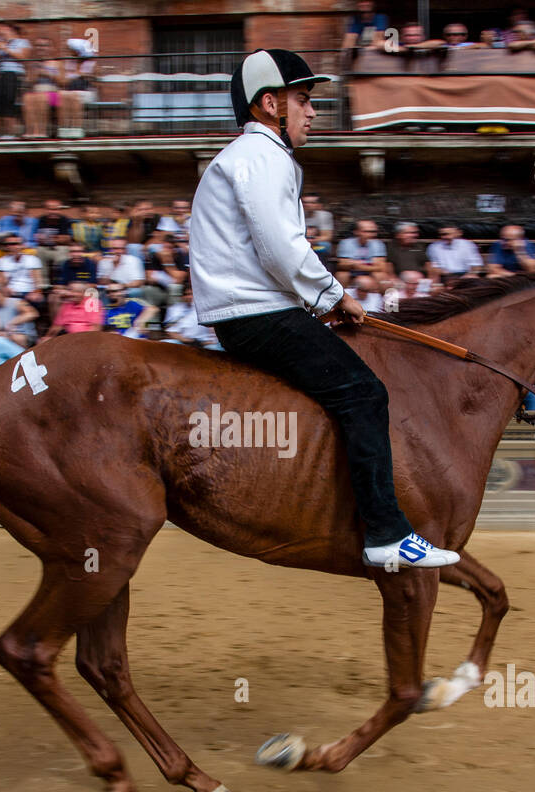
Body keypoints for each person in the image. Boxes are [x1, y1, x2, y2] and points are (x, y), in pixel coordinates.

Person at [190, 48, 458, 569]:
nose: (312, 112)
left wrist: (318, 302)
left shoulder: (251, 157)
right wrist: (335, 297)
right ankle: (385, 533)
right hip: (255, 314)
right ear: (270, 104)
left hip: (253, 308)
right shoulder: (263, 158)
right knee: (364, 392)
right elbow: (281, 249)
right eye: (304, 100)